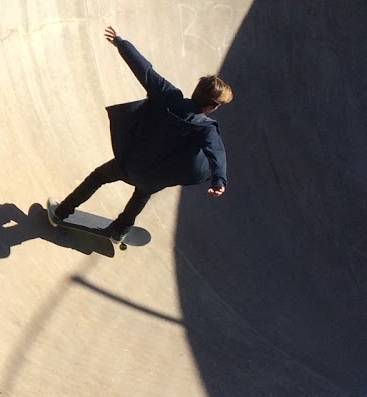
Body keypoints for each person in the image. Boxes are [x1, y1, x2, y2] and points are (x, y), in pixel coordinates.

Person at [48, 26, 231, 244]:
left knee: (98, 177)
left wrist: (120, 43)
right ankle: (120, 230)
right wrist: (219, 180)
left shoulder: (167, 94)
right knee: (142, 193)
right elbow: (216, 152)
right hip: (155, 177)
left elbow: (144, 69)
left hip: (129, 163)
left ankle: (61, 213)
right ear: (212, 106)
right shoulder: (206, 128)